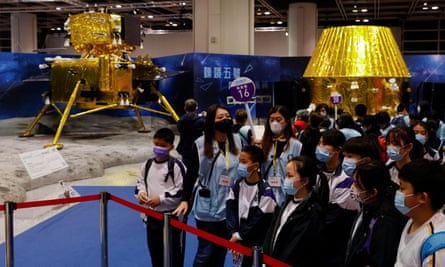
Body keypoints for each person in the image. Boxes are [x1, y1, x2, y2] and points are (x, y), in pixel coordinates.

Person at [181, 104, 242, 267]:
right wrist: (184, 199)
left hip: (229, 207)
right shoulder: (200, 144)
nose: (225, 120)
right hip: (207, 206)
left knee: (222, 250)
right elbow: (191, 174)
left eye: (228, 116)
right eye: (220, 117)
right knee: (206, 251)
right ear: (211, 121)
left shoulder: (237, 140)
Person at [135, 128, 186, 267]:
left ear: (171, 147)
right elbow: (140, 183)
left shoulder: (176, 166)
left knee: (174, 253)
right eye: (156, 144)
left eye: (163, 146)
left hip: (172, 216)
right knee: (155, 252)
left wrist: (161, 199)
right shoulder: (147, 164)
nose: (158, 148)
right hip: (152, 216)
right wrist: (141, 194)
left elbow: (181, 190)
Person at [262, 156, 324, 267]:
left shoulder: (311, 212)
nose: (286, 180)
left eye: (290, 176)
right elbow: (272, 232)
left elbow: (295, 247)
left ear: (304, 181)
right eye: (286, 175)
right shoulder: (285, 203)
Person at [345, 160, 407, 267]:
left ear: (373, 192)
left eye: (357, 184)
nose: (352, 187)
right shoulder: (368, 205)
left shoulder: (386, 221)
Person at [226, 145, 277, 267]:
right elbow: (230, 212)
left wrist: (239, 235)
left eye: (244, 162)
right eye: (239, 161)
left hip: (257, 244)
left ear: (255, 166)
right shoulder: (236, 185)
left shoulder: (266, 191)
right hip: (238, 240)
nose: (240, 165)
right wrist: (234, 234)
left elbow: (259, 220)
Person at [315, 128, 359, 267]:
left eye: (324, 144)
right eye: (319, 143)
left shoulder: (347, 177)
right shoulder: (316, 172)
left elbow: (336, 213)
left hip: (337, 239)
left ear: (338, 150)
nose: (319, 148)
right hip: (317, 242)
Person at [395, 159, 445, 267]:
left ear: (422, 197)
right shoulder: (413, 219)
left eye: (402, 188)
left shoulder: (437, 246)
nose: (398, 193)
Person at [260, 105, 303, 206]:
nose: (275, 123)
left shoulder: (296, 145)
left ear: (287, 121)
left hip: (288, 195)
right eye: (272, 120)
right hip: (266, 197)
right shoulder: (263, 144)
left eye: (279, 119)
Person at [176, 98, 205, 168]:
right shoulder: (201, 121)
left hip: (185, 148)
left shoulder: (180, 121)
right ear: (196, 108)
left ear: (185, 108)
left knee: (186, 170)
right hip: (197, 149)